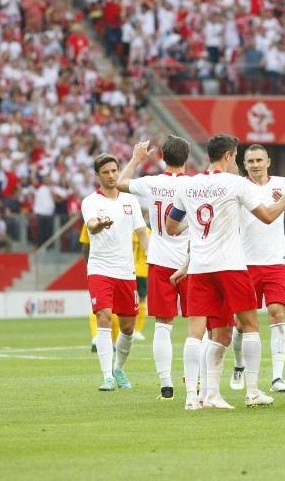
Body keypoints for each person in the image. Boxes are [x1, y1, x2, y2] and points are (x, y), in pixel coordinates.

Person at [165, 134, 285, 410]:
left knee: (198, 333)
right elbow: (268, 216)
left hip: (199, 269)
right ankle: (253, 391)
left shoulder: (189, 185)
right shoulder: (235, 184)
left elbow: (172, 228)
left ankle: (196, 398)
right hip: (230, 266)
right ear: (230, 156)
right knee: (251, 326)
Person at [117, 136, 192, 402]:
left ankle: (166, 386)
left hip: (160, 260)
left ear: (161, 156)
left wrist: (137, 158)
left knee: (163, 325)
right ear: (187, 158)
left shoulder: (152, 182)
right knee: (199, 323)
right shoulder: (194, 185)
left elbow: (120, 183)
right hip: (191, 261)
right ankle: (196, 381)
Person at [229, 144, 285, 394]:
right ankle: (238, 366)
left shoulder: (284, 184)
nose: (256, 164)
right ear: (245, 164)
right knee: (241, 324)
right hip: (245, 262)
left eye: (260, 160)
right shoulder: (239, 186)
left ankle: (277, 378)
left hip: (276, 260)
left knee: (277, 314)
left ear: (268, 161)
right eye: (251, 161)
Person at [81, 153, 150, 391]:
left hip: (126, 272)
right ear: (97, 176)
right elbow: (91, 225)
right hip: (100, 269)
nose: (111, 176)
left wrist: (151, 255)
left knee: (128, 327)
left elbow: (142, 232)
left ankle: (119, 368)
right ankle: (107, 375)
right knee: (104, 318)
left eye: (114, 171)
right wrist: (100, 224)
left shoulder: (130, 201)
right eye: (105, 172)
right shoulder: (90, 201)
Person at [82, 223, 119, 352]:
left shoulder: (90, 216)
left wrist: (90, 266)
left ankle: (97, 338)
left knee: (98, 306)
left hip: (98, 268)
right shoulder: (120, 213)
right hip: (117, 267)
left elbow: (85, 245)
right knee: (113, 307)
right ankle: (112, 341)